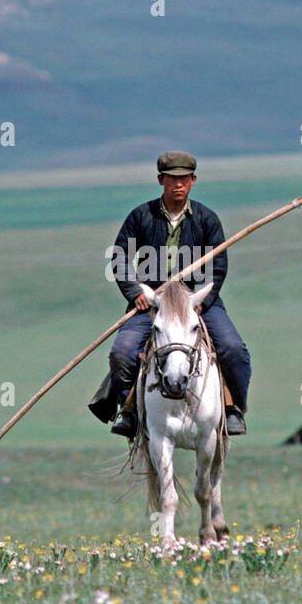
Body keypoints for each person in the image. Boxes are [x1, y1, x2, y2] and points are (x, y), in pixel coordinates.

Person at [88, 151, 251, 437]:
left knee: (233, 349)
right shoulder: (141, 216)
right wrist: (135, 290)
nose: (178, 184)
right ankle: (130, 411)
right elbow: (120, 257)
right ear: (161, 180)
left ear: (193, 180)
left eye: (184, 179)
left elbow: (218, 265)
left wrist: (204, 300)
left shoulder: (206, 219)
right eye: (172, 179)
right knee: (121, 352)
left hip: (197, 302)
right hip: (153, 303)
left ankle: (233, 409)